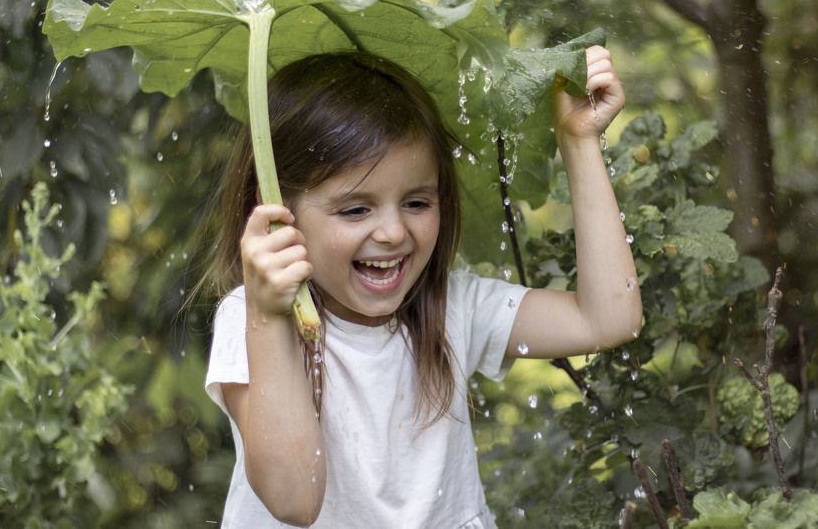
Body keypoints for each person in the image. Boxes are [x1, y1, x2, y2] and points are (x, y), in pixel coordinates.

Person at [203, 47, 642, 528]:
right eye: (355, 209)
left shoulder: (453, 306)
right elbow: (294, 499)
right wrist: (268, 317)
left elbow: (608, 318)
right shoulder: (251, 319)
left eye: (416, 202)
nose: (393, 232)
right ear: (275, 215)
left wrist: (578, 142)